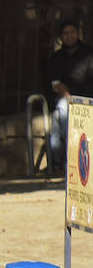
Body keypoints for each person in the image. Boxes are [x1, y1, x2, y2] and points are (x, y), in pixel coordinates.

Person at [44, 20, 93, 170]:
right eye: (65, 33)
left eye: (72, 32)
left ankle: (71, 154)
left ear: (78, 34)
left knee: (61, 116)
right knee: (61, 111)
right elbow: (52, 82)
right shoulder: (56, 58)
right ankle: (67, 155)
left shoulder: (88, 54)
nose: (69, 36)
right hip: (65, 100)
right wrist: (62, 91)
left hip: (87, 99)